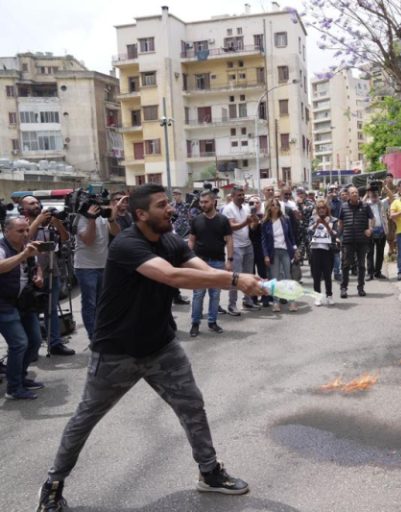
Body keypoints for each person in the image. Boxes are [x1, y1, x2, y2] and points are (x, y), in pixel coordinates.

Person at [36, 184, 264, 512]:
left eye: (169, 204)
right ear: (141, 215)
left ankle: (209, 472)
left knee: (192, 405)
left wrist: (237, 277)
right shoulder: (128, 244)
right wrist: (233, 281)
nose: (170, 209)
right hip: (117, 352)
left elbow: (198, 267)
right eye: (162, 205)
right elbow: (172, 277)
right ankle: (53, 485)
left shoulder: (169, 239)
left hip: (161, 346)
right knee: (86, 418)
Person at [22, 195, 75, 356]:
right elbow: (23, 240)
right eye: (31, 203)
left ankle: (55, 344)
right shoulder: (21, 224)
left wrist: (57, 223)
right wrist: (37, 222)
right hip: (31, 277)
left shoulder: (48, 225)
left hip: (52, 273)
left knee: (51, 310)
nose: (36, 205)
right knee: (31, 313)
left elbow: (65, 238)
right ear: (23, 208)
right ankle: (32, 348)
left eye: (37, 202)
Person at [0, 217, 45, 400]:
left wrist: (39, 275)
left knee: (35, 340)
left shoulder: (26, 246)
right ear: (6, 231)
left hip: (23, 302)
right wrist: (24, 255)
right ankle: (14, 387)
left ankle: (20, 376)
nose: (26, 234)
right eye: (20, 231)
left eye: (27, 230)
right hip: (3, 304)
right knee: (19, 343)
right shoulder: (2, 247)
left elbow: (36, 266)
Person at [73, 196, 121, 340]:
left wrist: (111, 219)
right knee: (90, 304)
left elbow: (117, 233)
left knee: (103, 303)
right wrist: (91, 219)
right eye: (95, 205)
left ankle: (103, 332)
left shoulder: (103, 216)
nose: (98, 206)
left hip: (103, 265)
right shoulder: (80, 219)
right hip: (86, 268)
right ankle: (94, 337)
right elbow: (88, 240)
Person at [188, 190, 233, 337]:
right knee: (198, 294)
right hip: (199, 262)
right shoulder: (196, 220)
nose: (203, 205)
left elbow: (229, 240)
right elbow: (191, 240)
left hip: (218, 262)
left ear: (213, 202)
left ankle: (212, 322)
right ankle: (195, 324)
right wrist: (187, 259)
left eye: (205, 202)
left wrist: (229, 260)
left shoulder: (223, 220)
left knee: (215, 294)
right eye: (201, 202)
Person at [221, 186, 256, 315]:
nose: (241, 197)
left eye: (243, 195)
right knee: (235, 278)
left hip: (248, 245)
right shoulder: (228, 209)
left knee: (248, 275)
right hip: (235, 247)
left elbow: (250, 226)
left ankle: (247, 301)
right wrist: (246, 223)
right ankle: (232, 305)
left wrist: (254, 222)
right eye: (239, 195)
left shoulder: (246, 207)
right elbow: (231, 227)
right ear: (233, 195)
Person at [261, 198, 298, 312]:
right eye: (273, 205)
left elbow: (291, 236)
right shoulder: (265, 222)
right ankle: (276, 303)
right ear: (269, 208)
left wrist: (295, 249)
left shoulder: (285, 219)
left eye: (277, 205)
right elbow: (263, 241)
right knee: (275, 278)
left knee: (288, 276)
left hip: (285, 250)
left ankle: (292, 302)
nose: (275, 207)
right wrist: (266, 255)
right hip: (273, 252)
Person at [338, 186, 373, 298]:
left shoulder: (365, 206)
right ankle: (344, 288)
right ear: (348, 195)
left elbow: (372, 219)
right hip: (348, 240)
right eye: (352, 193)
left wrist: (370, 229)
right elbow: (340, 222)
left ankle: (361, 288)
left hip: (362, 241)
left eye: (356, 192)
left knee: (361, 265)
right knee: (345, 265)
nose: (355, 194)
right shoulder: (343, 207)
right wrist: (339, 235)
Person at [307, 199, 338, 306]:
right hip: (315, 250)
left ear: (327, 209)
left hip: (328, 250)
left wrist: (326, 224)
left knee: (328, 274)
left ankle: (329, 296)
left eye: (323, 208)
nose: (321, 210)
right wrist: (316, 223)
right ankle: (317, 297)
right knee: (316, 275)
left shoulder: (333, 220)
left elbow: (335, 234)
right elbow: (309, 231)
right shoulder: (312, 218)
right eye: (319, 208)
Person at [364, 187, 388, 280]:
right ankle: (370, 273)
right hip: (370, 231)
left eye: (375, 193)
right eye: (372, 193)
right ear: (369, 194)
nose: (374, 194)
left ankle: (378, 272)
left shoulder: (382, 203)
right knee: (370, 252)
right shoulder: (366, 204)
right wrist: (367, 192)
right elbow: (361, 203)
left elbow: (391, 198)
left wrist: (384, 187)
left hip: (381, 231)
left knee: (380, 253)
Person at [327, 186, 343, 281]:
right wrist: (328, 198)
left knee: (336, 251)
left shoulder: (340, 203)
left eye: (335, 190)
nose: (334, 192)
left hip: (337, 228)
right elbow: (326, 210)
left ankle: (337, 272)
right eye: (331, 190)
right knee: (326, 252)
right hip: (327, 227)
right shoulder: (326, 202)